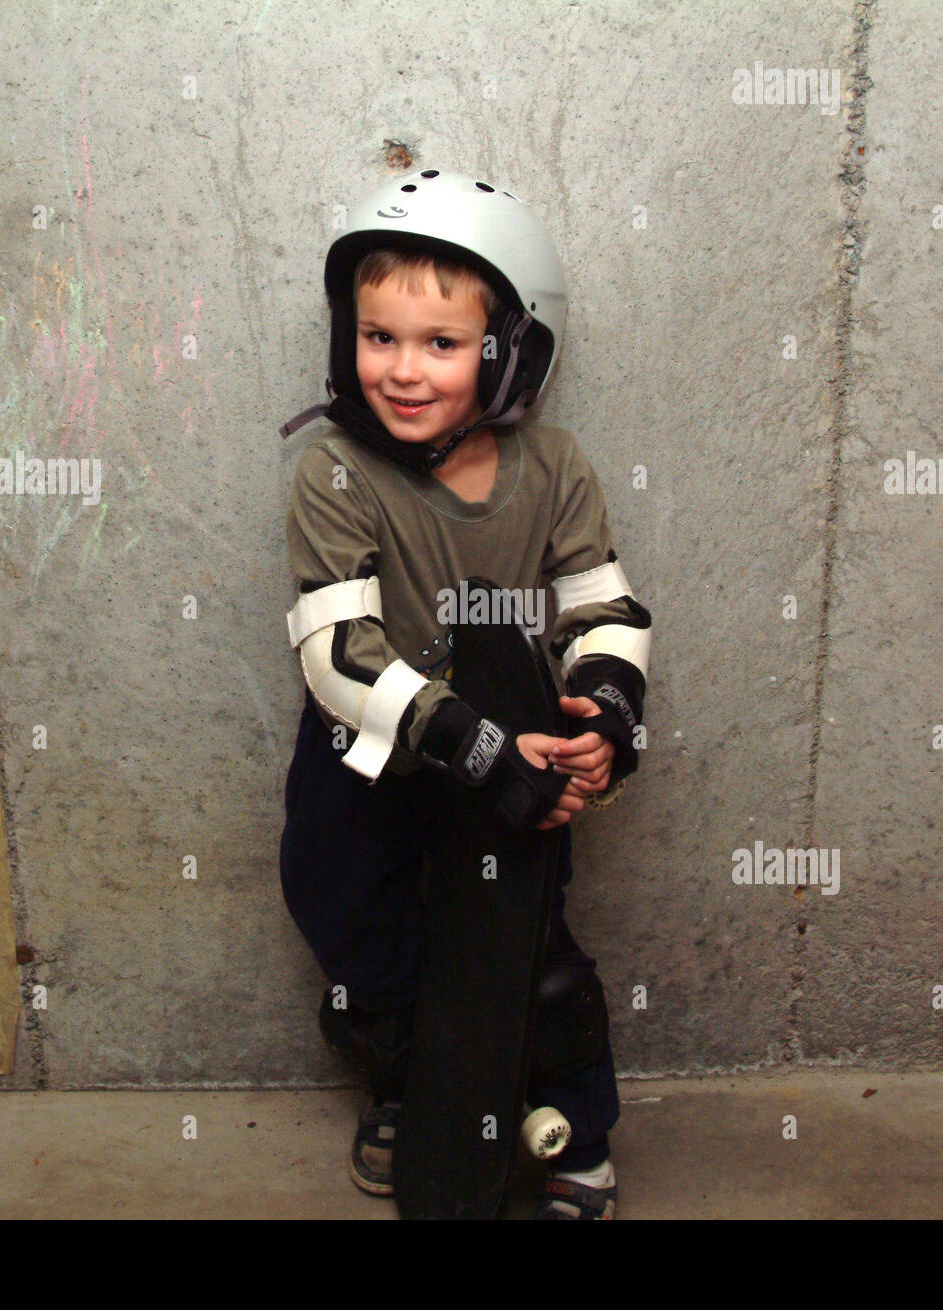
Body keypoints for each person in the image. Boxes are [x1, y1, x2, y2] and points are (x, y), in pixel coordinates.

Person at [278, 169, 652, 1219]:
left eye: (440, 344)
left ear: (514, 350)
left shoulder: (554, 466)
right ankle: (410, 1088)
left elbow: (602, 608)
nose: (401, 369)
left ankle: (577, 1126)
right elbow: (338, 652)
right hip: (370, 755)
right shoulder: (334, 473)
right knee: (358, 926)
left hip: (517, 740)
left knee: (526, 945)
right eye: (376, 336)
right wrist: (474, 748)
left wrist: (603, 720)